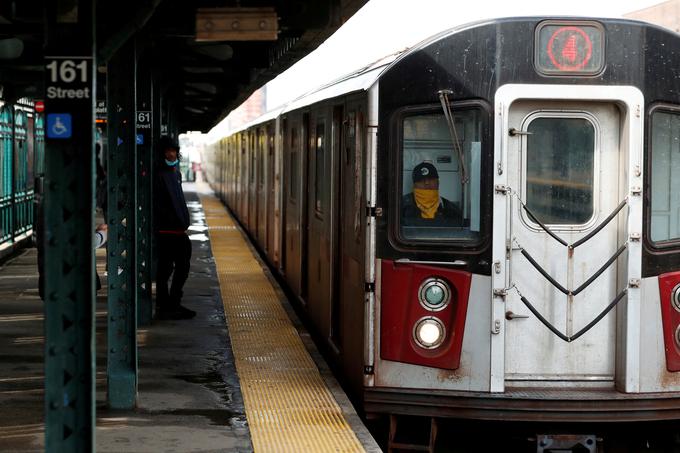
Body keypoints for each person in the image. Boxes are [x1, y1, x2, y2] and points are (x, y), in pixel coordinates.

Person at [154, 136, 196, 320]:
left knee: (181, 267)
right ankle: (167, 306)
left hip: (178, 231)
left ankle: (172, 303)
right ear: (161, 153)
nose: (171, 154)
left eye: (173, 150)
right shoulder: (158, 174)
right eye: (167, 151)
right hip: (166, 232)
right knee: (166, 270)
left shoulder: (175, 173)